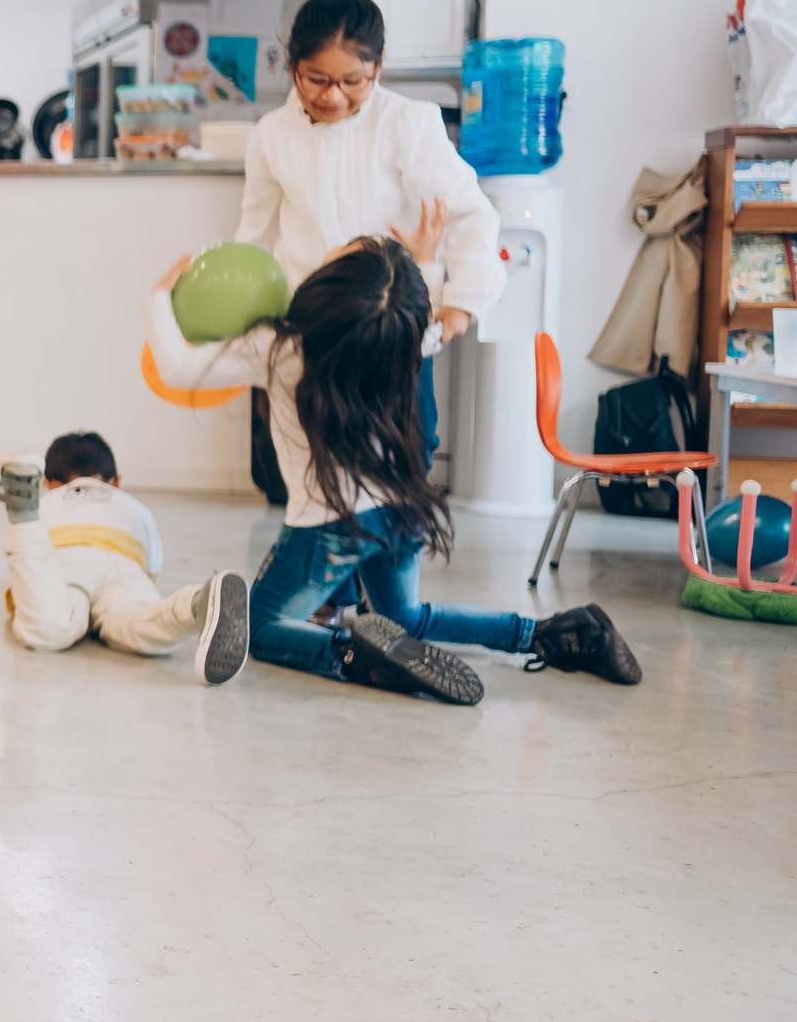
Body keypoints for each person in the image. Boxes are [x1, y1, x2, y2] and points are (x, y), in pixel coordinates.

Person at [146, 232, 639, 702]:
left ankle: (353, 656)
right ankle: (557, 633)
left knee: (258, 627)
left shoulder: (282, 348)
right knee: (407, 617)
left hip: (328, 526)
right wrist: (423, 265)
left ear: (331, 288)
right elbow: (441, 324)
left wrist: (160, 294)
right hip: (401, 509)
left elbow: (176, 369)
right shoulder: (402, 339)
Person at [237, 0, 502, 468]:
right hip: (311, 325)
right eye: (316, 79)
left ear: (378, 67)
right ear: (293, 65)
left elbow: (469, 214)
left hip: (392, 326)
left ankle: (400, 543)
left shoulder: (408, 124)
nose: (333, 96)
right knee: (309, 457)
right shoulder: (271, 135)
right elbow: (252, 237)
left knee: (405, 451)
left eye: (352, 81)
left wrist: (461, 306)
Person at [0, 430, 247, 684]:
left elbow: (26, 579)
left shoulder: (50, 501)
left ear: (48, 484)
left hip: (65, 558)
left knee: (50, 629)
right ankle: (195, 605)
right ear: (116, 482)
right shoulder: (132, 505)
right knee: (140, 624)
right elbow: (152, 561)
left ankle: (23, 517)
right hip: (123, 564)